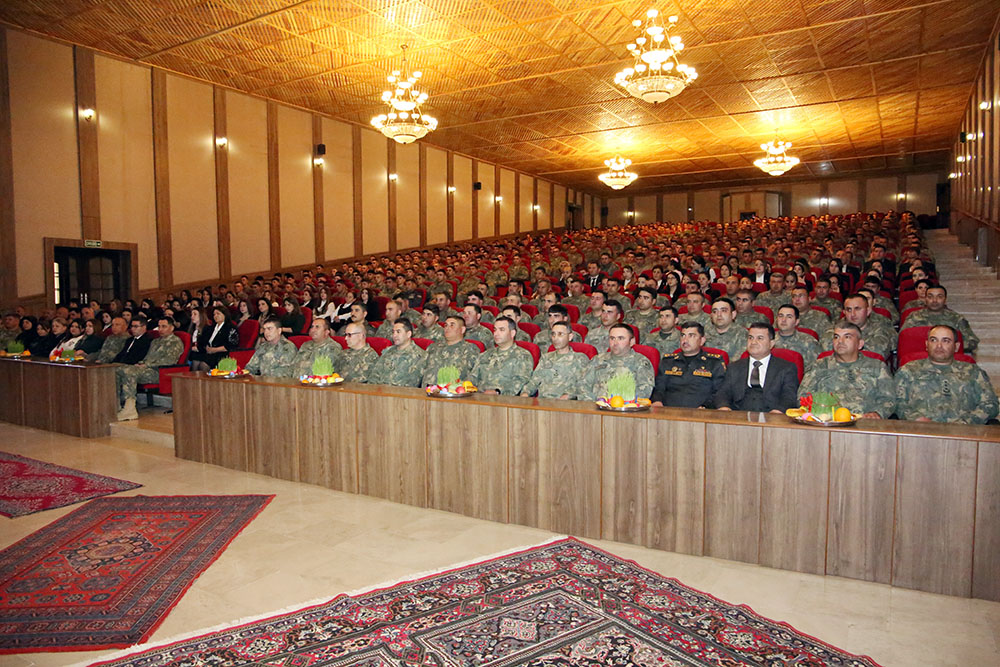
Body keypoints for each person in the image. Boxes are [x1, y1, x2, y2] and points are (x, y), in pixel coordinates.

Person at [895, 325, 998, 424]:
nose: (939, 346)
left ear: (956, 346)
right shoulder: (908, 370)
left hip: (964, 433)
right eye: (933, 340)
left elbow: (990, 404)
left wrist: (966, 422)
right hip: (919, 432)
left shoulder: (973, 372)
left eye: (946, 341)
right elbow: (897, 402)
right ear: (927, 344)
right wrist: (916, 418)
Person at [798, 322, 895, 419]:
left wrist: (877, 413)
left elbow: (888, 399)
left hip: (864, 423)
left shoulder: (877, 366)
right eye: (836, 337)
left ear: (860, 344)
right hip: (827, 423)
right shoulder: (818, 366)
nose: (840, 341)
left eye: (847, 337)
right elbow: (803, 397)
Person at [715, 323, 799, 413]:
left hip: (772, 417)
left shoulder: (786, 368)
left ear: (771, 344)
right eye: (750, 338)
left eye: (760, 338)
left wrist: (778, 411)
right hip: (738, 416)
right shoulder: (734, 367)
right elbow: (723, 393)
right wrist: (723, 407)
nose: (753, 342)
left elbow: (789, 397)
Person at [114, 316, 184, 421]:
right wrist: (141, 364)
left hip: (159, 372)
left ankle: (130, 408)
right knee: (118, 370)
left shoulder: (175, 342)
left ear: (172, 328)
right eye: (159, 326)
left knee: (129, 371)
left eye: (164, 326)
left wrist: (146, 365)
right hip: (146, 369)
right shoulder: (155, 341)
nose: (160, 329)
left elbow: (169, 361)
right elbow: (147, 358)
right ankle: (117, 404)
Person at [651, 322, 725, 408]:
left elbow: (719, 392)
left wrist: (706, 406)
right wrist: (657, 401)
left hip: (701, 414)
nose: (685, 340)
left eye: (691, 336)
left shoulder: (714, 363)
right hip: (669, 412)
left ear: (702, 340)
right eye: (683, 335)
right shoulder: (668, 361)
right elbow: (659, 388)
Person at [579, 323, 655, 401]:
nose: (615, 343)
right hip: (595, 408)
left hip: (625, 409)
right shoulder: (598, 359)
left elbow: (644, 393)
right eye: (612, 338)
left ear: (632, 341)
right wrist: (592, 404)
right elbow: (583, 385)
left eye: (620, 338)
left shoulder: (640, 362)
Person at [900, 286, 979, 353]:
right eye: (930, 297)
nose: (934, 300)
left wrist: (948, 346)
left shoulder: (956, 318)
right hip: (917, 358)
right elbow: (902, 339)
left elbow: (972, 342)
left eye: (939, 296)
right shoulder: (914, 317)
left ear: (945, 299)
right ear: (925, 299)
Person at [520, 321, 589, 399]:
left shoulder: (579, 358)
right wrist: (525, 393)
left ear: (570, 337)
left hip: (566, 404)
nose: (555, 338)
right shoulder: (546, 358)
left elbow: (583, 385)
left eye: (560, 334)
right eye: (553, 334)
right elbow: (534, 381)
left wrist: (569, 395)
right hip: (543, 402)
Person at [469, 316, 534, 395]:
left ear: (512, 333)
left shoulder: (522, 355)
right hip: (479, 397)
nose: (496, 333)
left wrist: (498, 392)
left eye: (502, 330)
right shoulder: (485, 354)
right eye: (495, 330)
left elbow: (520, 381)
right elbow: (473, 377)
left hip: (505, 400)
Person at [821, 294, 894, 360]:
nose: (853, 314)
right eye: (849, 310)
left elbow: (878, 352)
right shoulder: (834, 330)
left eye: (857, 309)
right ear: (844, 312)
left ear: (868, 311)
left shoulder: (880, 330)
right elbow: (826, 347)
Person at [421, 316, 480, 386]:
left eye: (452, 325)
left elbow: (474, 377)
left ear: (462, 329)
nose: (447, 328)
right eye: (445, 325)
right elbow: (421, 369)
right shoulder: (433, 347)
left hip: (454, 393)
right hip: (427, 392)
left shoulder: (470, 350)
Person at [369, 319, 428, 387]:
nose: (394, 335)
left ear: (408, 334)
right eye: (393, 332)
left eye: (398, 332)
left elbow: (411, 384)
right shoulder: (388, 351)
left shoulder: (420, 356)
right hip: (379, 393)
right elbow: (374, 376)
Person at [190, 306, 239, 371]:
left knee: (203, 364)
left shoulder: (230, 328)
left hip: (221, 354)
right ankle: (194, 380)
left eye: (218, 314)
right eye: (214, 314)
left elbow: (231, 345)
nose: (215, 316)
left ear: (224, 315)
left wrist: (214, 350)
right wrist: (206, 347)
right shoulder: (211, 327)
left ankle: (205, 380)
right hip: (209, 352)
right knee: (195, 359)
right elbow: (204, 341)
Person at [773, 305, 820, 372]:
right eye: (781, 316)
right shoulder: (768, 339)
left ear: (796, 321)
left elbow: (815, 369)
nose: (783, 320)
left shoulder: (809, 341)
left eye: (789, 317)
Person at [704, 297, 744, 363]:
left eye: (723, 311)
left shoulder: (743, 334)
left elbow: (739, 363)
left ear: (733, 314)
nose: (719, 315)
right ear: (711, 316)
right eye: (715, 311)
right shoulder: (703, 333)